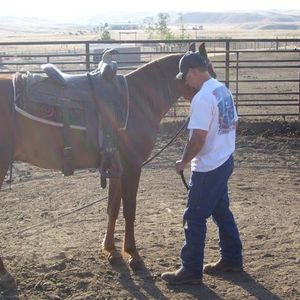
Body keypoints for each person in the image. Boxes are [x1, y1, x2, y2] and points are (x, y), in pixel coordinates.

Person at [161, 52, 243, 285]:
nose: (186, 83)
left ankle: (191, 270)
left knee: (194, 216)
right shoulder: (222, 89)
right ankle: (232, 259)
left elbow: (197, 139)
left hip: (208, 167)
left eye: (185, 77)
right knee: (221, 211)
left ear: (193, 71)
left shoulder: (203, 97)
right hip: (224, 159)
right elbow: (234, 123)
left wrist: (184, 162)